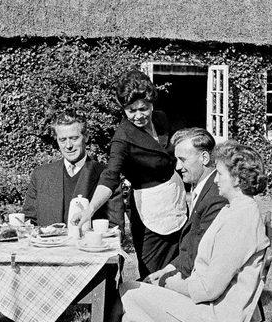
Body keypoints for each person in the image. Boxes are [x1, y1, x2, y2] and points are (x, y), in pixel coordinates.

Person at [108, 141, 270, 322]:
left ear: (237, 179)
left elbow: (207, 289)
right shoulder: (236, 210)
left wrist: (170, 284)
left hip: (218, 320)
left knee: (131, 293)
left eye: (220, 173)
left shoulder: (241, 218)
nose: (215, 179)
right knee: (132, 310)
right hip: (213, 309)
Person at [74, 70, 187, 279]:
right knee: (153, 271)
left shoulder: (161, 119)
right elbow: (110, 176)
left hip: (176, 199)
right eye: (131, 110)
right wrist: (90, 210)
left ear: (151, 103)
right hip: (149, 208)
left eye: (143, 108)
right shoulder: (123, 137)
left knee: (181, 264)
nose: (138, 115)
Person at [144, 128, 226, 286]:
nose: (177, 167)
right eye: (177, 160)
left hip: (200, 286)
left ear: (204, 158)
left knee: (127, 293)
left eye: (183, 160)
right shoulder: (204, 188)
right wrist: (167, 269)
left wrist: (165, 279)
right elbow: (191, 247)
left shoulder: (216, 197)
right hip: (191, 277)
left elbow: (201, 255)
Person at [24, 111, 121, 229]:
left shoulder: (107, 176)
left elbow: (115, 229)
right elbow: (28, 223)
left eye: (74, 138)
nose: (68, 145)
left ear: (86, 137)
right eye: (62, 140)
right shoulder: (40, 175)